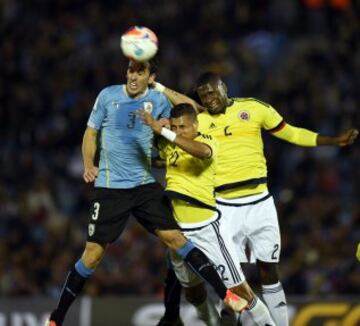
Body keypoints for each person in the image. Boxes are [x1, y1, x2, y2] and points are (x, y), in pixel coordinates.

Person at [45, 62, 247, 326]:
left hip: (143, 185)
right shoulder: (107, 96)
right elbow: (90, 133)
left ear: (151, 77)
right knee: (92, 256)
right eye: (130, 71)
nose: (133, 76)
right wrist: (88, 164)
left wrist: (161, 90)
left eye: (140, 72)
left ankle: (226, 295)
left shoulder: (158, 99)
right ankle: (56, 318)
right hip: (110, 187)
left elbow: (195, 109)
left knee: (177, 239)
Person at [152, 72, 359, 326]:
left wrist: (331, 140)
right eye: (203, 95)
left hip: (260, 201)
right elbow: (184, 107)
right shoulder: (199, 122)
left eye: (212, 91)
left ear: (224, 88)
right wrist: (160, 88)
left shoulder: (254, 108)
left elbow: (292, 133)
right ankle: (232, 319)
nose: (208, 97)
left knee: (269, 270)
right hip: (224, 205)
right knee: (231, 278)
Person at [142, 103, 275, 326]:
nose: (178, 131)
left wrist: (164, 131)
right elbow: (155, 149)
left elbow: (202, 152)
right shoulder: (170, 141)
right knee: (194, 295)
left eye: (183, 127)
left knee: (241, 292)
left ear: (195, 124)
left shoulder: (207, 141)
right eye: (175, 126)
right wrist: (155, 128)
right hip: (178, 234)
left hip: (206, 228)